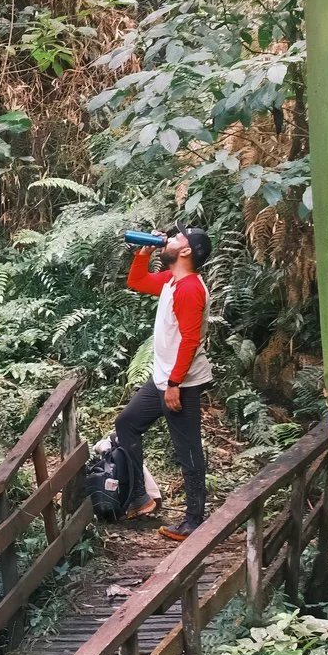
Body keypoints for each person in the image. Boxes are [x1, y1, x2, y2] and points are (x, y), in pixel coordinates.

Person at [116, 226, 214, 540]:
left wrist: (174, 384)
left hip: (180, 384)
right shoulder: (173, 281)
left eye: (176, 238)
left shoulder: (189, 289)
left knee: (187, 450)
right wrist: (143, 253)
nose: (167, 240)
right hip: (163, 379)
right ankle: (140, 499)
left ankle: (194, 521)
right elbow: (137, 281)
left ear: (186, 251)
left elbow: (190, 340)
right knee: (127, 423)